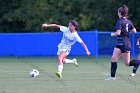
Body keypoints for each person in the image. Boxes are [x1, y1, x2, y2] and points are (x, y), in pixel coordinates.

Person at [106, 5, 140, 80]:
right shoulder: (129, 21)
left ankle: (139, 62)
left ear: (120, 13)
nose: (117, 13)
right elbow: (135, 31)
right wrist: (127, 29)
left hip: (124, 43)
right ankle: (112, 77)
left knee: (127, 63)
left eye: (118, 12)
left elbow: (118, 33)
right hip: (119, 43)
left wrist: (111, 34)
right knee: (113, 59)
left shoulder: (119, 21)